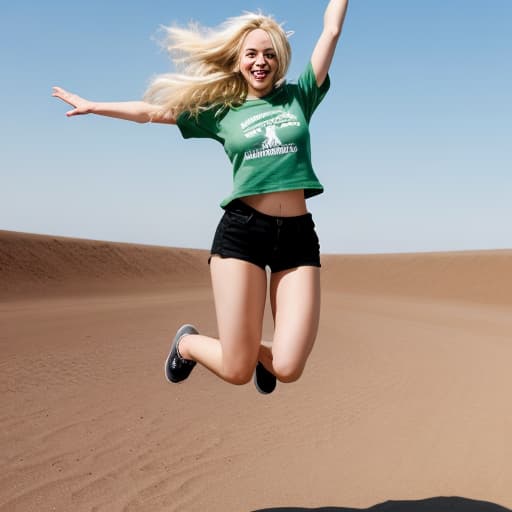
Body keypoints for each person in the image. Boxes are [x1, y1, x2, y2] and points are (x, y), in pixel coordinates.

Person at [52, 1, 349, 394]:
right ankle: (187, 344)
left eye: (269, 54)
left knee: (288, 367)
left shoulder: (300, 96)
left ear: (280, 60)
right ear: (238, 61)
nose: (261, 62)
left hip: (296, 237)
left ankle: (256, 353)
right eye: (252, 54)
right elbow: (151, 112)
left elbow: (330, 32)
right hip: (243, 232)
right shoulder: (224, 112)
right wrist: (94, 106)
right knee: (236, 371)